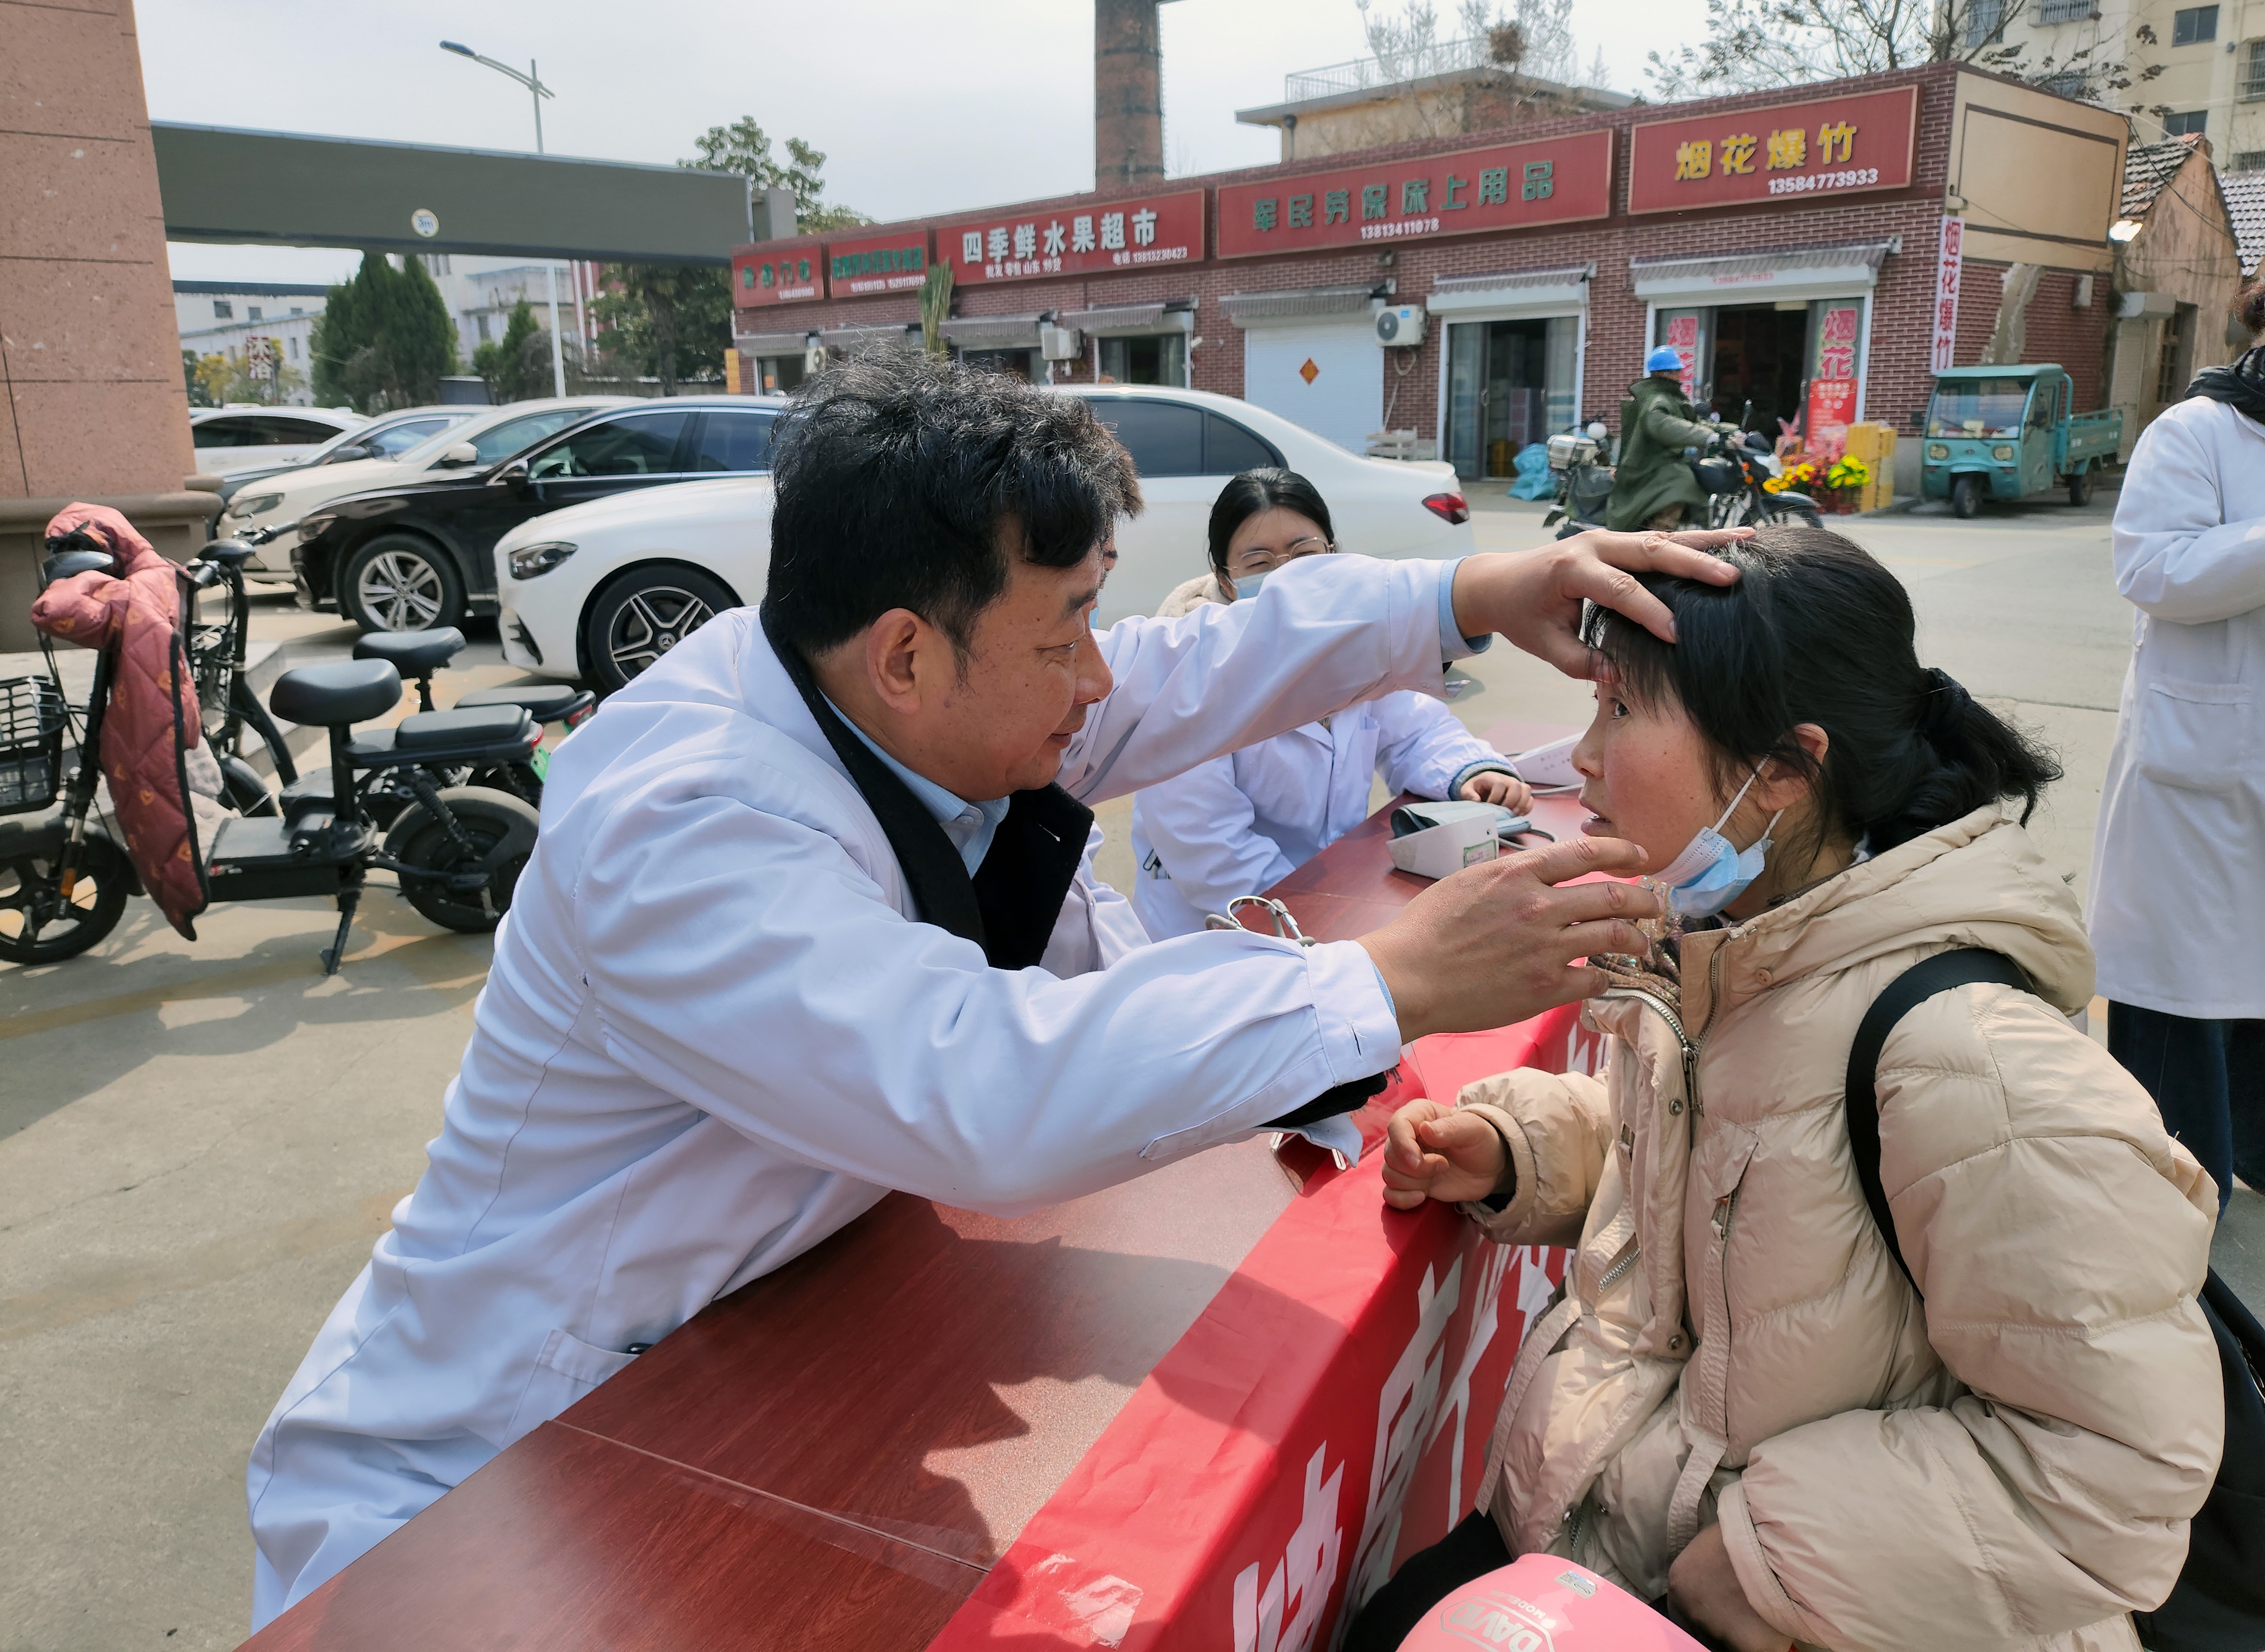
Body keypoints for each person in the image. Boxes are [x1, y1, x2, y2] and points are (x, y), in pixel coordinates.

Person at [244, 350, 1744, 1627]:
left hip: (740, 1363)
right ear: (907, 653)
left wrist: (1473, 588)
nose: (1096, 675)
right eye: (1064, 630)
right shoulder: (685, 822)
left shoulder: (901, 695)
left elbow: (1197, 663)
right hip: (490, 1463)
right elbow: (978, 1088)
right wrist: (1388, 980)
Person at [1353, 527, 2221, 1652]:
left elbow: (2123, 1465)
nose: (1581, 757)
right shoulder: (1730, 945)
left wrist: (1766, 1558)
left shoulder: (1972, 1062)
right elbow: (1736, 1168)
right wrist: (1525, 1149)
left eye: (1620, 710)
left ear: (1779, 770)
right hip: (1607, 1532)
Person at [1131, 468, 1533, 937]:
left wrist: (1470, 772)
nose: (1288, 576)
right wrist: (1313, 919)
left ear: (1332, 554)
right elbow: (1209, 845)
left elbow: (1415, 731)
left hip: (1329, 899)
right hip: (1225, 927)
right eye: (1259, 563)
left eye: (1305, 554)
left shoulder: (1352, 643)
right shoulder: (1189, 677)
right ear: (1225, 577)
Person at [2088, 280, 2265, 1215]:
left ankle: (2252, 1153)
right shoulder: (2194, 431)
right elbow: (2152, 567)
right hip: (2200, 764)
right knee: (2178, 992)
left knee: (2253, 983)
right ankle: (2163, 1202)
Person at [1606, 346, 1718, 532]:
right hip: (1648, 465)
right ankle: (1659, 533)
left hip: (1661, 461)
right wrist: (1707, 436)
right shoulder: (1656, 399)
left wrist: (1728, 432)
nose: (1678, 375)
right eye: (1674, 371)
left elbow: (1695, 422)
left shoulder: (1669, 397)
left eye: (1678, 371)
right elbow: (1664, 425)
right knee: (1681, 481)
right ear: (1660, 374)